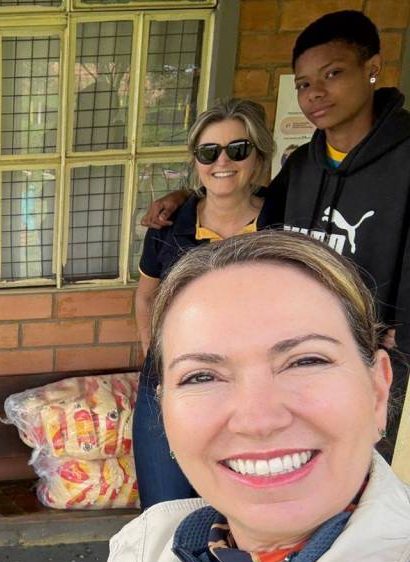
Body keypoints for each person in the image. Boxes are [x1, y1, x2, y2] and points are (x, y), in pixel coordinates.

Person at [58, 230, 410, 562]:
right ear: (164, 412)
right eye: (202, 375)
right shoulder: (151, 552)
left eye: (306, 361)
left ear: (379, 387)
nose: (257, 419)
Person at [142, 10, 410, 451]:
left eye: (333, 74)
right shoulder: (304, 167)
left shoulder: (405, 161)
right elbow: (235, 192)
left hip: (380, 373)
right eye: (303, 84)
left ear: (373, 68)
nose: (315, 93)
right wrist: (183, 196)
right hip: (300, 368)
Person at [134, 99, 274, 511]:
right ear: (196, 160)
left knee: (246, 511)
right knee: (165, 512)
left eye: (238, 149)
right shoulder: (169, 225)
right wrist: (156, 359)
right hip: (176, 384)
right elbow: (146, 295)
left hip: (258, 391)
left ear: (259, 155)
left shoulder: (285, 220)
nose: (222, 162)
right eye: (208, 152)